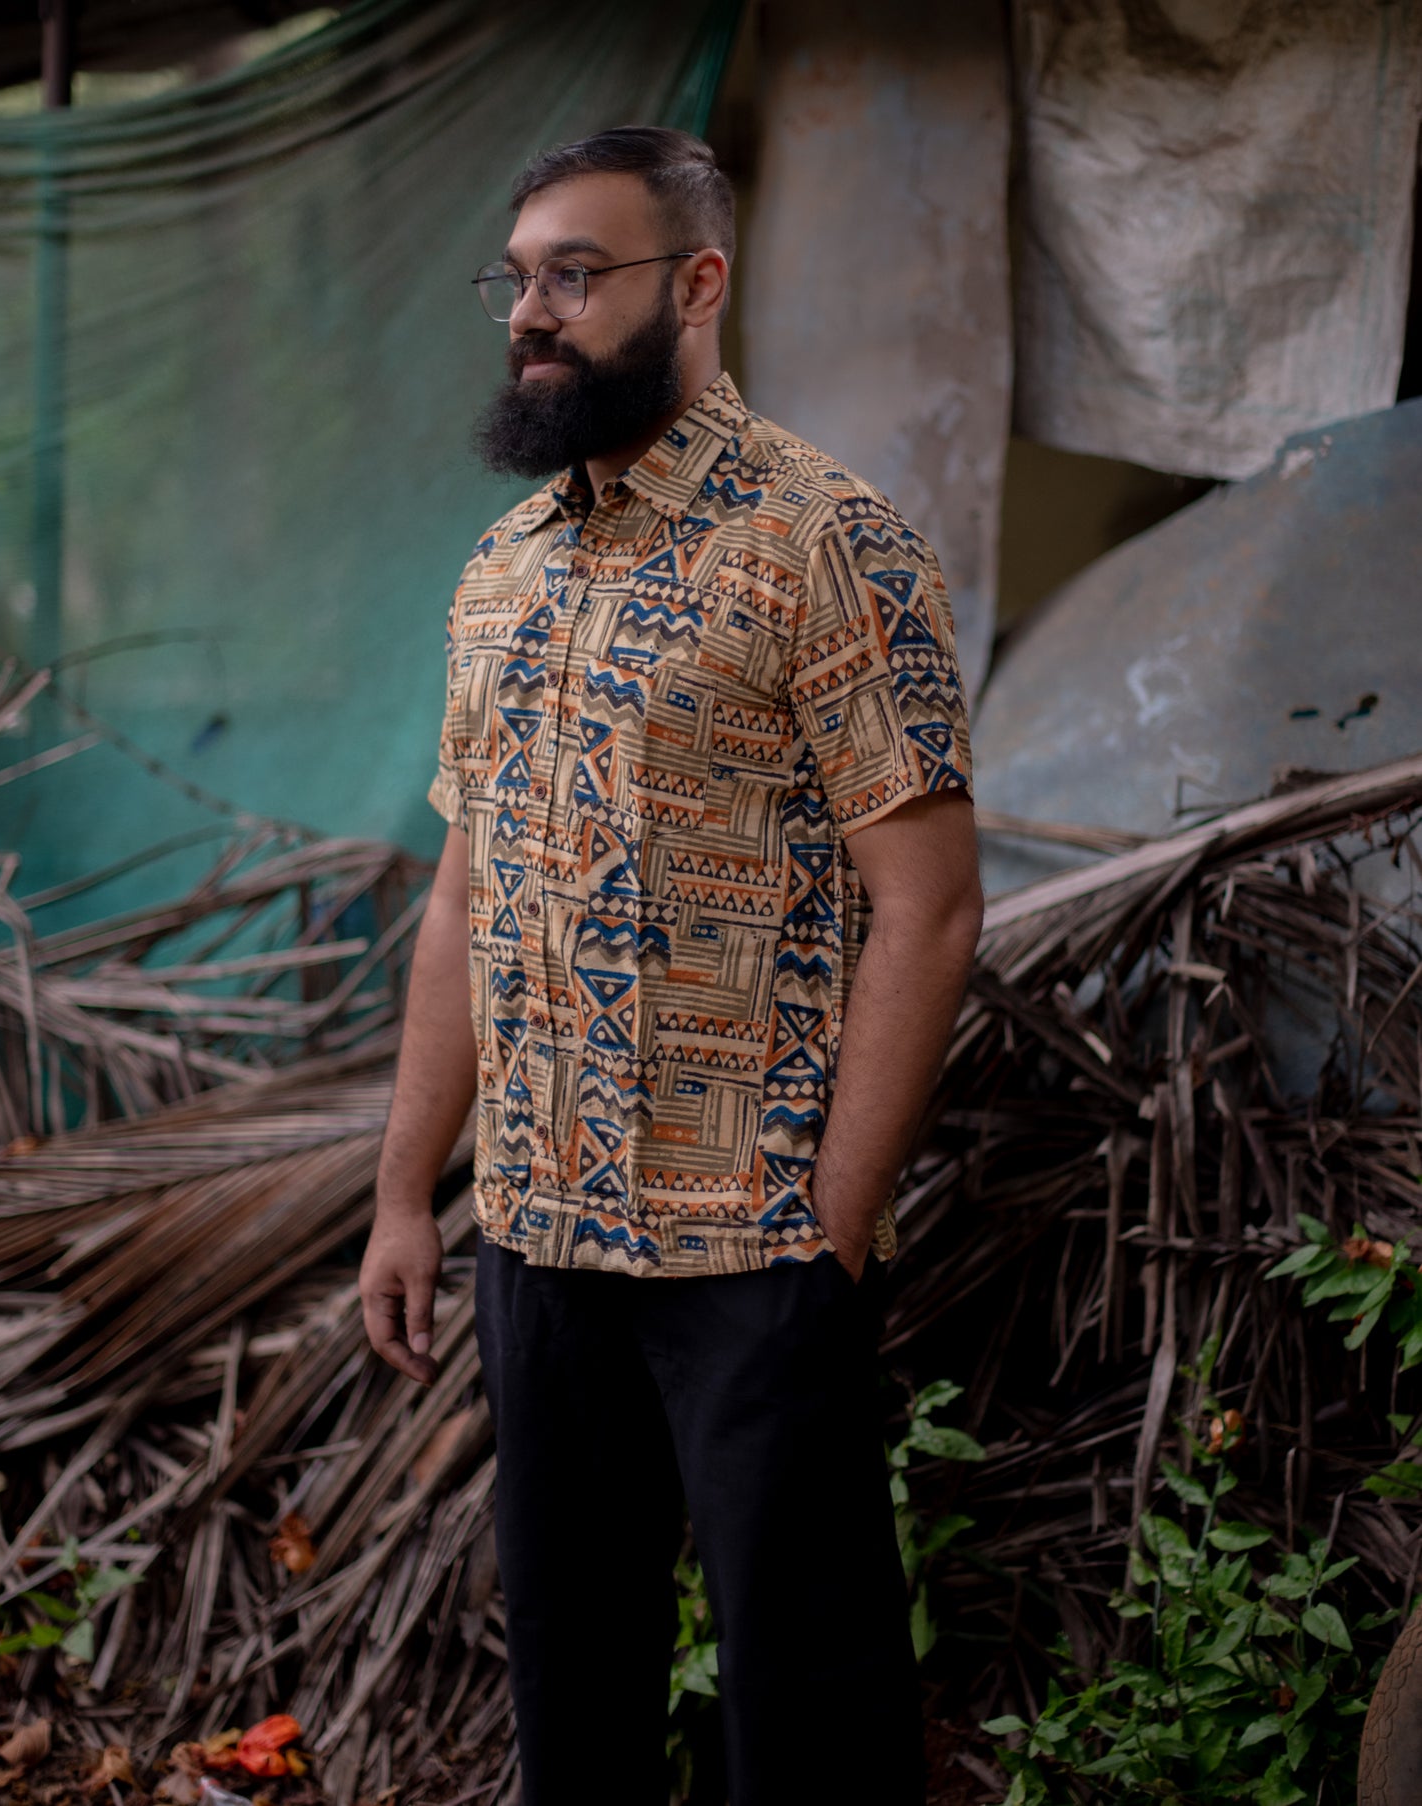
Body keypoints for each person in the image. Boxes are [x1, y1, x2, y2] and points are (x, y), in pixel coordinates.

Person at [359, 125, 984, 1806]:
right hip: (541, 1234)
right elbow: (460, 899)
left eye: (578, 272)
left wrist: (826, 1224)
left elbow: (927, 905)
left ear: (696, 282)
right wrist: (410, 1189)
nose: (529, 312)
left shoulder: (824, 541)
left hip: (749, 1246)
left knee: (809, 1702)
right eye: (517, 277)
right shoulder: (501, 576)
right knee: (575, 1684)